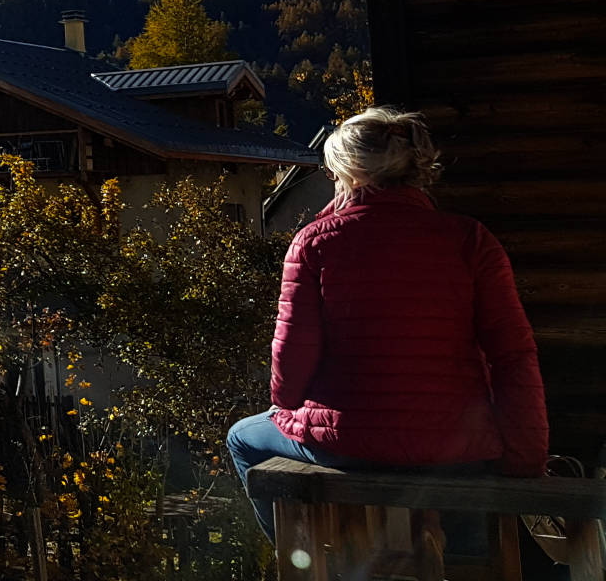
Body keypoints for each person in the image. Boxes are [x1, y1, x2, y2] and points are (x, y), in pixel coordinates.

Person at [226, 106, 548, 543]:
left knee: (243, 437)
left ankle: (307, 557)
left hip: (350, 446)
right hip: (456, 447)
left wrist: (292, 403)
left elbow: (287, 384)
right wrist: (525, 458)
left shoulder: (316, 243)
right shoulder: (471, 240)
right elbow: (513, 355)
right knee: (469, 532)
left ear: (351, 174)